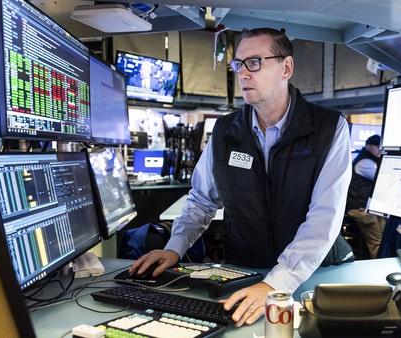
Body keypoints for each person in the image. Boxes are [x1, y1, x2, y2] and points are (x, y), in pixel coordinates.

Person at [129, 27, 353, 327]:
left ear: (286, 67)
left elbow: (325, 216)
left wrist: (277, 283)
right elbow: (200, 200)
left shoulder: (329, 128)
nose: (243, 74)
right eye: (238, 64)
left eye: (255, 62)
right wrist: (174, 247)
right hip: (248, 273)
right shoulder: (224, 132)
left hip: (315, 273)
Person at [344, 134, 386, 259]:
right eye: (377, 146)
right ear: (368, 147)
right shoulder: (365, 162)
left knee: (384, 235)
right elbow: (382, 180)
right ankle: (379, 266)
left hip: (367, 206)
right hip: (358, 207)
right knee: (377, 241)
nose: (380, 149)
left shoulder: (369, 160)